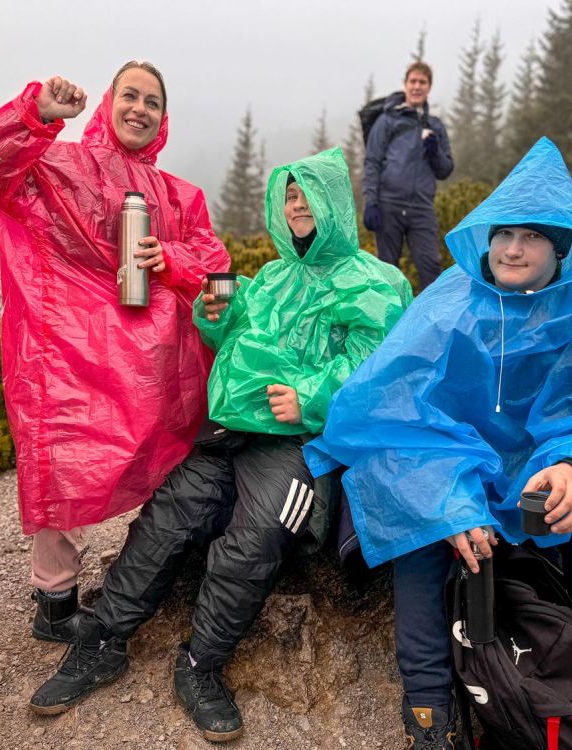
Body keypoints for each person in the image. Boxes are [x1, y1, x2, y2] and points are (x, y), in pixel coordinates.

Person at [307, 138, 572, 750]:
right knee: (419, 516)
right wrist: (450, 501)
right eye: (503, 233)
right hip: (446, 469)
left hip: (530, 479)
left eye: (533, 236)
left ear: (561, 249)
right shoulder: (446, 308)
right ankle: (429, 711)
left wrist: (571, 464)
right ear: (487, 241)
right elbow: (393, 417)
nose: (513, 248)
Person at [28, 148, 412, 742]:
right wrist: (217, 316)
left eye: (309, 195)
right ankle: (104, 640)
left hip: (305, 444)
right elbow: (234, 339)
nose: (298, 206)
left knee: (255, 537)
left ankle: (200, 666)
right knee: (168, 516)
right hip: (233, 431)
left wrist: (313, 397)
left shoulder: (378, 282)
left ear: (337, 202)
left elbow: (377, 370)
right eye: (289, 196)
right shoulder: (271, 278)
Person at [0, 63, 230, 642]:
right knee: (66, 465)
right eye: (129, 95)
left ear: (164, 119)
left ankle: (156, 572)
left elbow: (216, 264)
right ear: (109, 102)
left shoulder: (181, 194)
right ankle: (55, 603)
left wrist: (175, 259)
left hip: (158, 362)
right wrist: (36, 114)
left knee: (179, 463)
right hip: (71, 354)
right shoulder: (59, 165)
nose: (139, 108)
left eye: (152, 102)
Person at [362, 60, 453, 293]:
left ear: (428, 87)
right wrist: (371, 203)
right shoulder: (387, 121)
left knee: (430, 268)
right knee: (387, 271)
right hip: (388, 205)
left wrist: (434, 151)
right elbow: (372, 162)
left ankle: (429, 325)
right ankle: (387, 326)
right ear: (405, 85)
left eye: (422, 82)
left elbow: (445, 170)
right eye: (412, 81)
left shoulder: (435, 126)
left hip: (421, 208)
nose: (416, 86)